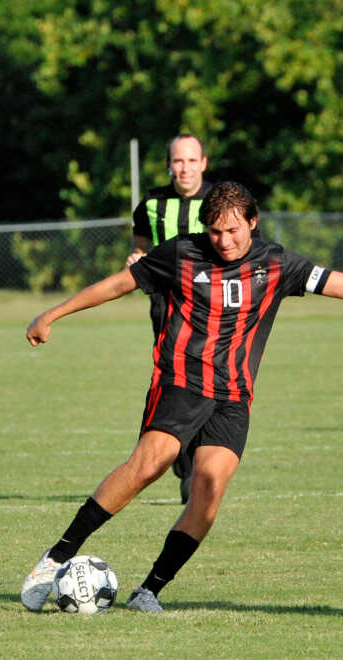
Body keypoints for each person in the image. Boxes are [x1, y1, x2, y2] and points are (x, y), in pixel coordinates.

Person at [21, 181, 343, 613]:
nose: (224, 240)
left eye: (233, 230)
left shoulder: (277, 262)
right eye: (215, 231)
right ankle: (57, 557)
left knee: (209, 491)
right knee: (148, 467)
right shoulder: (180, 253)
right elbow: (119, 284)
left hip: (233, 396)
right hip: (181, 380)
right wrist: (53, 313)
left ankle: (149, 590)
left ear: (252, 223)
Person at [127, 133, 213, 504]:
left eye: (192, 160)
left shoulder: (217, 202)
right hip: (166, 307)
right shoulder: (151, 205)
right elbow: (140, 250)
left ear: (203, 163)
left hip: (211, 308)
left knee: (210, 383)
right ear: (169, 165)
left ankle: (198, 465)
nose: (185, 168)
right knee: (177, 385)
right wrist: (133, 262)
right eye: (178, 161)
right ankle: (185, 467)